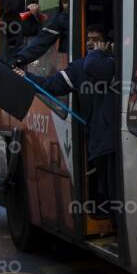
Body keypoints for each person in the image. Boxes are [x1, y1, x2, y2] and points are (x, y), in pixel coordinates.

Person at [14, 24, 117, 208]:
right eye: (88, 39)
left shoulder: (115, 64)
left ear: (108, 44)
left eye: (96, 40)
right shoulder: (78, 68)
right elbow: (52, 85)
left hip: (113, 139)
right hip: (99, 140)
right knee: (108, 190)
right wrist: (25, 77)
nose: (90, 44)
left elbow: (95, 65)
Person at [10, 0, 68, 69]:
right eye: (65, 2)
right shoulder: (60, 19)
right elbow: (42, 39)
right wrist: (18, 59)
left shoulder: (57, 17)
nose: (68, 5)